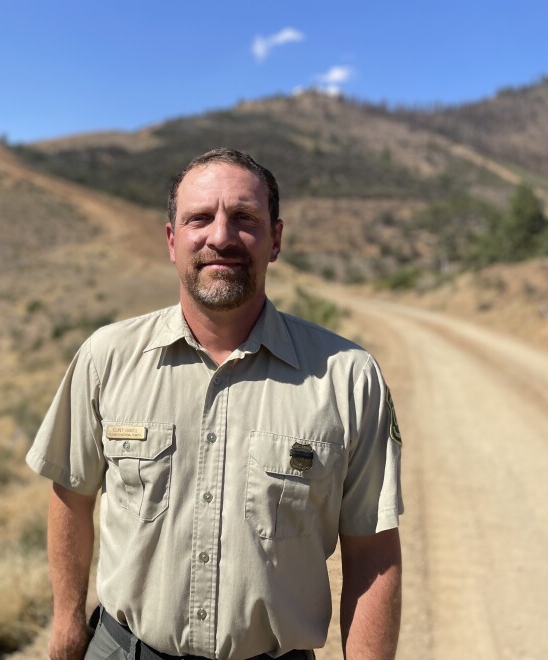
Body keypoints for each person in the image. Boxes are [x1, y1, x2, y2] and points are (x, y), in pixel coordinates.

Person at [26, 148, 403, 660]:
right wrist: (68, 627)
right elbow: (71, 491)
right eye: (199, 218)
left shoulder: (348, 377)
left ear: (276, 240)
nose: (220, 237)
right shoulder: (106, 358)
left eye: (244, 219)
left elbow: (372, 550)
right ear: (172, 240)